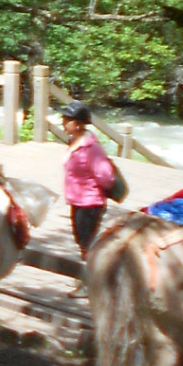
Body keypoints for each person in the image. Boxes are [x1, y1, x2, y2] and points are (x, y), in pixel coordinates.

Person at [60, 101, 116, 255]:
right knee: (81, 241)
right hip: (77, 201)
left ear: (77, 124)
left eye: (66, 119)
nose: (63, 122)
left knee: (87, 243)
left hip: (90, 203)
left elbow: (107, 177)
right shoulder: (73, 142)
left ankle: (92, 275)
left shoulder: (92, 148)